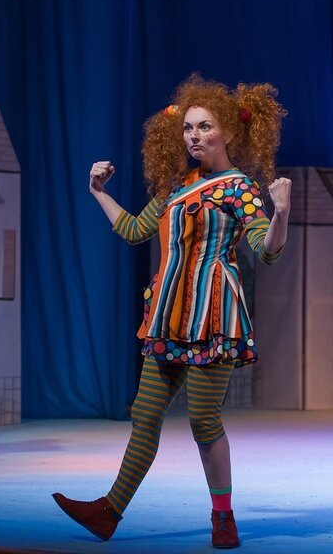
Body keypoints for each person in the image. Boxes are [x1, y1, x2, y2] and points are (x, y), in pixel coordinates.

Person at [52, 76, 292, 548]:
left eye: (205, 127)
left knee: (203, 420)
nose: (194, 135)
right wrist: (98, 192)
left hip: (212, 318)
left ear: (228, 132)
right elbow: (134, 229)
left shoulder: (239, 187)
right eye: (188, 127)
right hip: (168, 316)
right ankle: (108, 512)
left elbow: (267, 251)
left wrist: (280, 212)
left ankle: (223, 517)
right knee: (145, 415)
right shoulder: (177, 187)